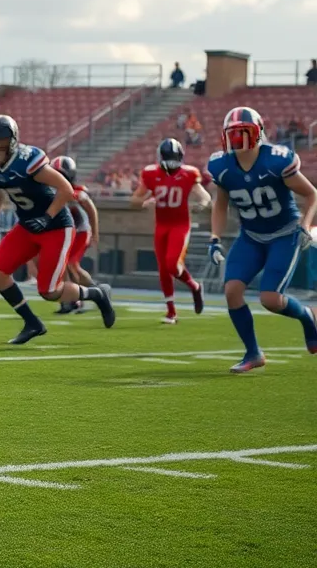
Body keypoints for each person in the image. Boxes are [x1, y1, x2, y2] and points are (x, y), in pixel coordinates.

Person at [0, 114, 115, 344]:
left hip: (56, 227)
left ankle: (97, 293)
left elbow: (66, 189)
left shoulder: (27, 160)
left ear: (13, 142)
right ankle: (32, 323)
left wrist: (47, 216)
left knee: (50, 292)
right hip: (27, 225)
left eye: (1, 144)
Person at [207, 107, 317, 372]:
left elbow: (312, 194)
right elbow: (220, 205)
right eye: (233, 134)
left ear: (258, 133)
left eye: (244, 132)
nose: (238, 139)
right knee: (232, 291)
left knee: (270, 299)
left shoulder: (276, 160)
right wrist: (215, 238)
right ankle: (253, 353)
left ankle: (308, 316)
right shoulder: (221, 166)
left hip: (285, 234)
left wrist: (305, 225)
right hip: (251, 236)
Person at [130, 138, 210, 324]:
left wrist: (202, 203)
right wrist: (145, 202)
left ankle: (194, 286)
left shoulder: (188, 174)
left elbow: (204, 195)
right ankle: (171, 312)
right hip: (161, 225)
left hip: (180, 226)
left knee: (172, 265)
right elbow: (134, 200)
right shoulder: (151, 173)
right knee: (163, 269)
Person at [50, 156, 99, 315]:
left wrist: (95, 232)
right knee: (64, 266)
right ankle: (79, 297)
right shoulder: (52, 193)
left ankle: (80, 298)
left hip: (81, 232)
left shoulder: (77, 192)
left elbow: (91, 210)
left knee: (70, 264)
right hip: (66, 233)